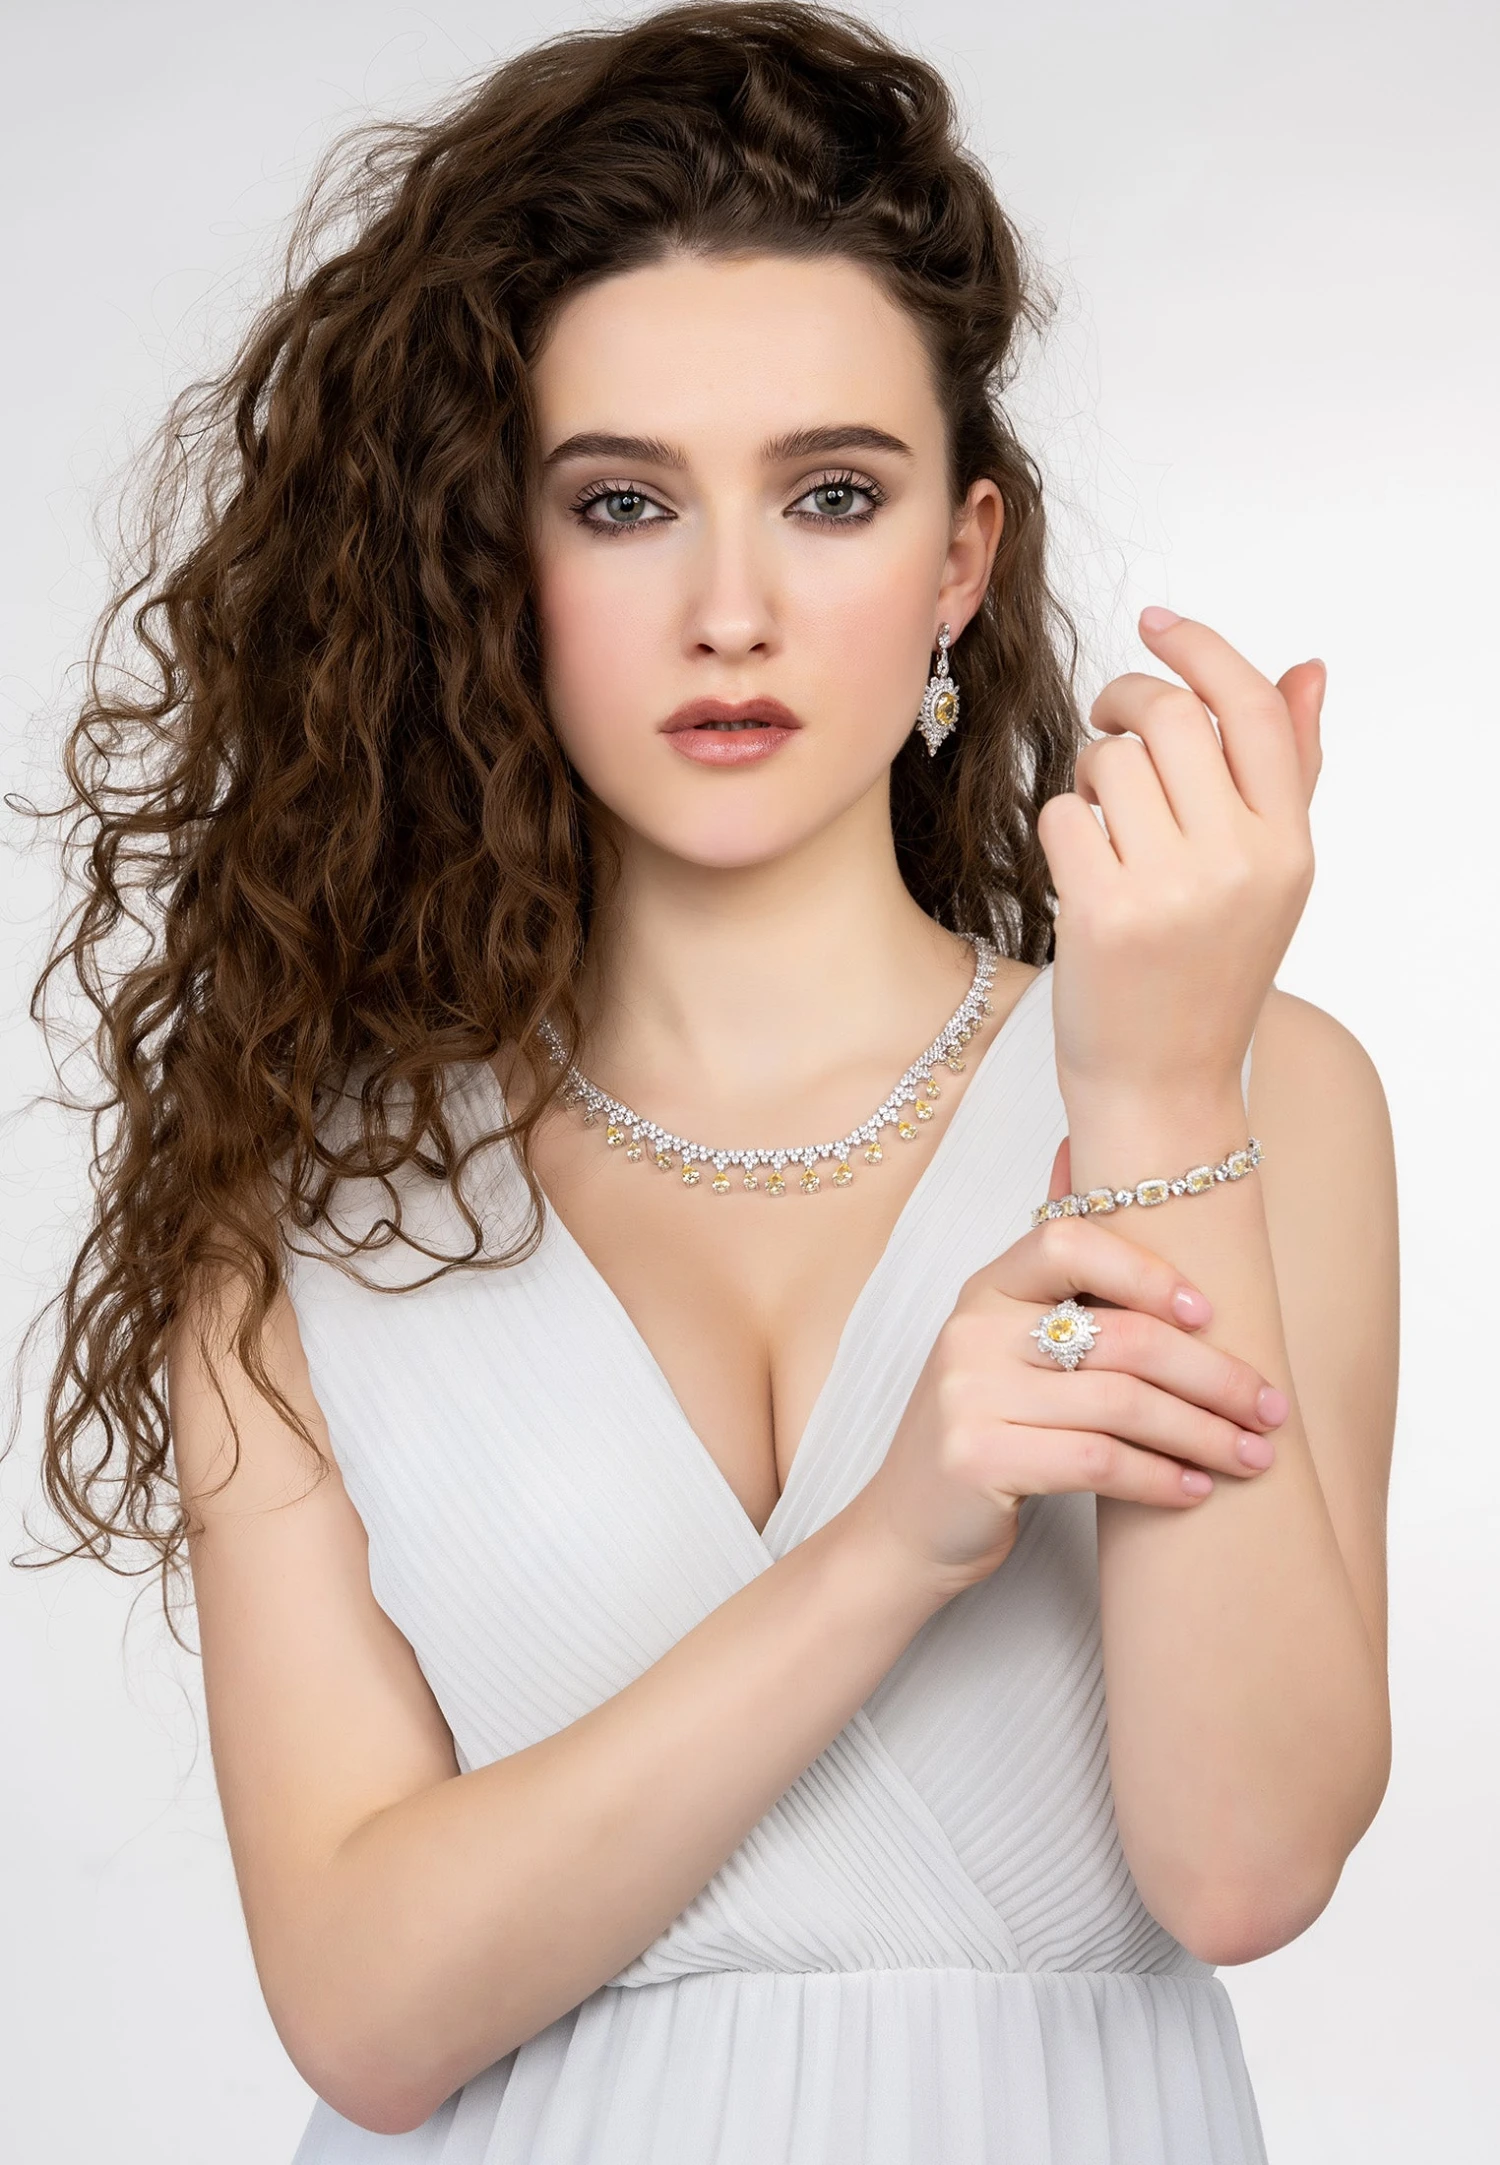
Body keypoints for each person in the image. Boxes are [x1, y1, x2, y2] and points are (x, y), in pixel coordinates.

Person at [28, 5, 1398, 2158]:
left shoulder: (1255, 1088)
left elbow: (1245, 1864)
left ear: (961, 557)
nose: (731, 608)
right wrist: (890, 1543)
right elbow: (365, 2014)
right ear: (500, 562)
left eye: (831, 495)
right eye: (623, 502)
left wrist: (1147, 1093)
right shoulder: (307, 1191)